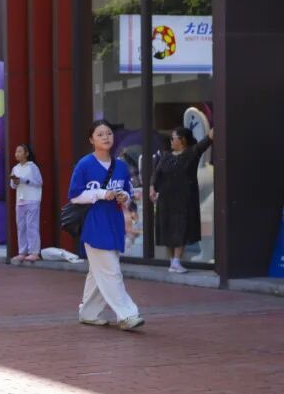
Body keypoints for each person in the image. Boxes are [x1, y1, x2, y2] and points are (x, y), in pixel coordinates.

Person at [68, 119, 143, 331]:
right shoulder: (84, 164)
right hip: (94, 224)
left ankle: (89, 313)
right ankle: (128, 314)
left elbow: (128, 191)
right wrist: (101, 193)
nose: (105, 137)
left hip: (114, 223)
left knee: (98, 273)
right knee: (111, 271)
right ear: (91, 139)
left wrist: (124, 197)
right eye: (100, 134)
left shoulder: (120, 166)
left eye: (108, 133)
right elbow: (74, 195)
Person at [150, 126, 214, 273]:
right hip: (166, 199)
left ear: (182, 140)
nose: (171, 141)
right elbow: (157, 173)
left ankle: (177, 261)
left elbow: (206, 142)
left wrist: (214, 128)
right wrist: (152, 187)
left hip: (183, 199)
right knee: (167, 229)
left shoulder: (191, 153)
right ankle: (173, 261)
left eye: (173, 138)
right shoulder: (166, 155)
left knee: (181, 228)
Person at [10, 143, 44, 262]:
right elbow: (13, 186)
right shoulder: (15, 168)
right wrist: (15, 182)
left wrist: (25, 180)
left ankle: (34, 252)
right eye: (16, 152)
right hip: (20, 201)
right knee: (21, 227)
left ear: (27, 154)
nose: (17, 154)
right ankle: (22, 252)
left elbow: (39, 182)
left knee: (32, 226)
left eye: (20, 151)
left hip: (32, 200)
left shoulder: (32, 167)